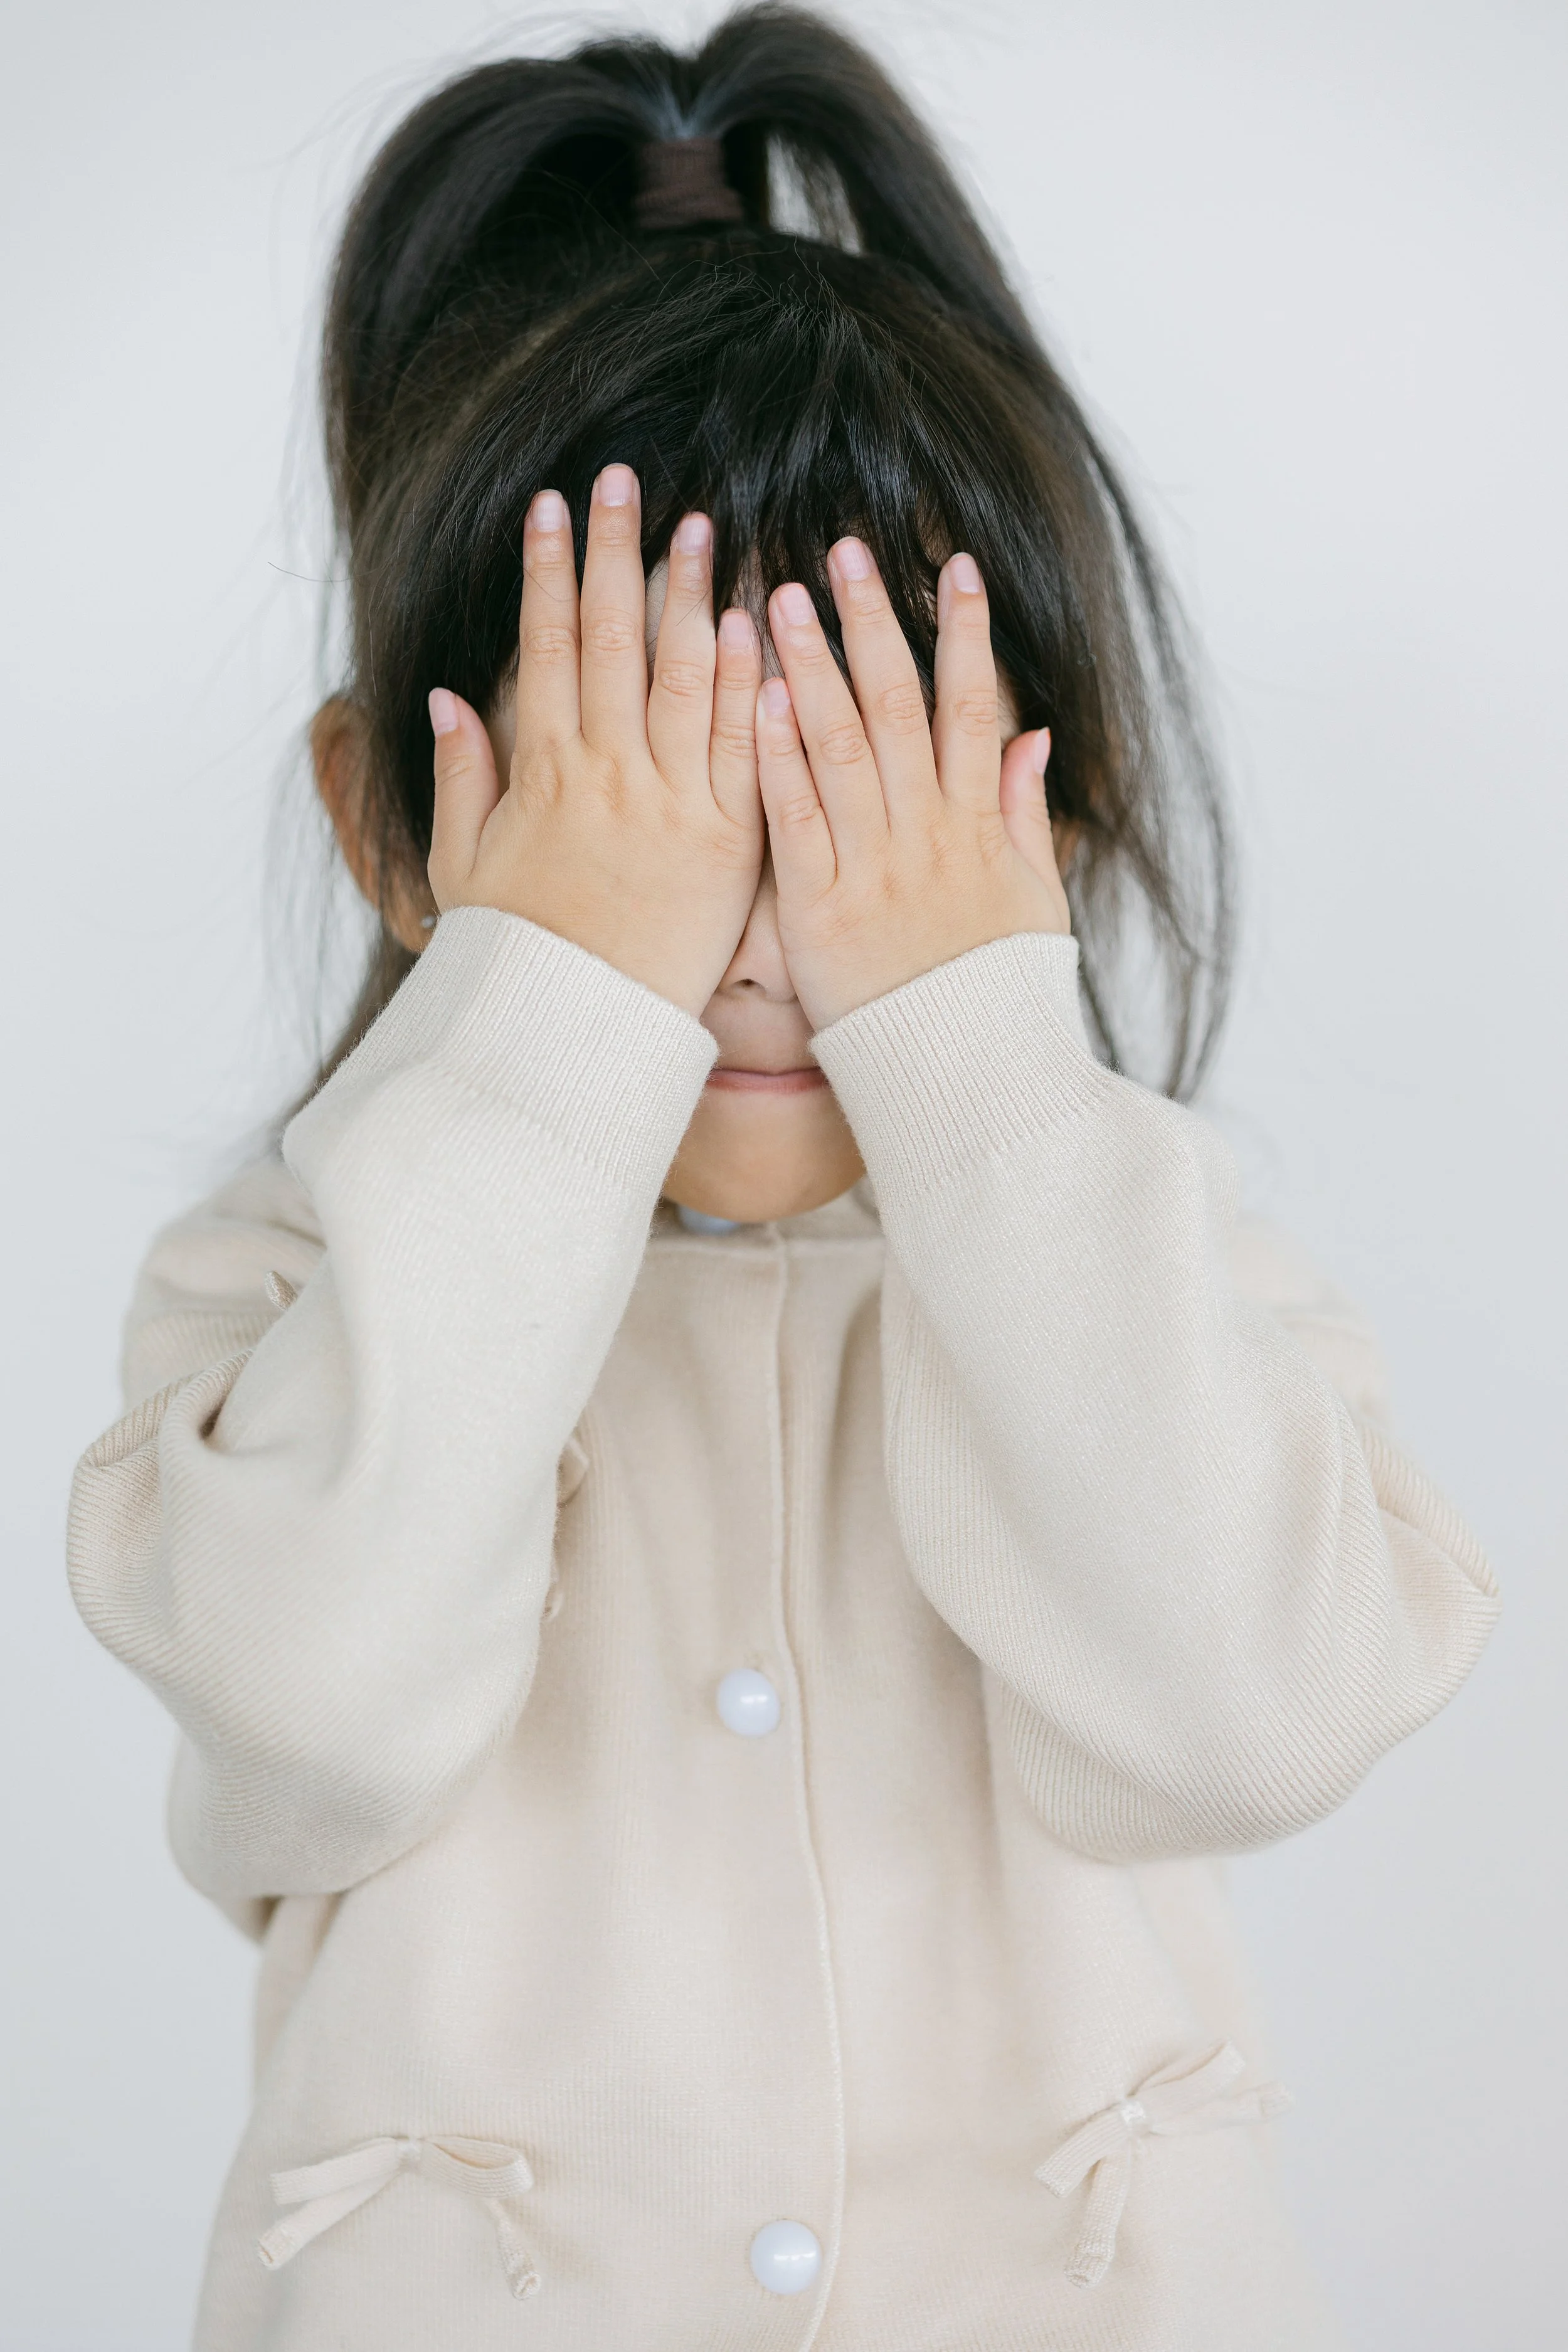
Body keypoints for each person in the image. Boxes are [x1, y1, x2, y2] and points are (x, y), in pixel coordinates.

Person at [65, 8, 1498, 2347]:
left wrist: (980, 1061)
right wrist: (553, 1008)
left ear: (1037, 820)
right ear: (390, 830)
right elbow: (313, 1717)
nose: (750, 951)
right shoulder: (288, 1283)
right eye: (640, 819)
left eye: (856, 808)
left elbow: (1241, 1716)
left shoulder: (1152, 1263)